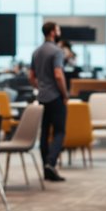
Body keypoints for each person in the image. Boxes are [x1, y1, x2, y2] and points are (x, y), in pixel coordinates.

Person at [30, 21, 69, 182]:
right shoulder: (57, 51)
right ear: (53, 32)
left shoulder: (36, 51)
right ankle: (51, 163)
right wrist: (65, 94)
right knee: (59, 131)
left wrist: (41, 87)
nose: (59, 32)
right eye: (58, 29)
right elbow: (58, 75)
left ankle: (46, 169)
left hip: (42, 97)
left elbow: (31, 76)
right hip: (55, 97)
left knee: (44, 133)